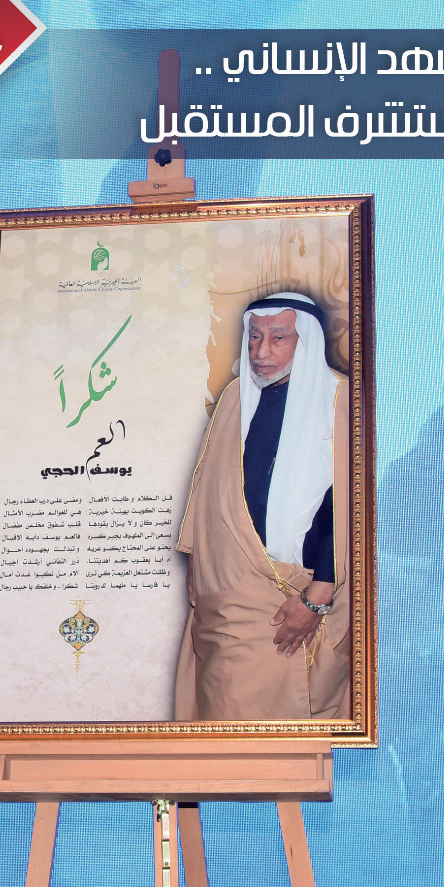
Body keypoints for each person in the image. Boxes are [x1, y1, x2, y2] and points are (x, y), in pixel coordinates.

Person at [175, 293, 351, 720]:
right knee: (224, 711)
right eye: (254, 337)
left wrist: (318, 595)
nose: (261, 351)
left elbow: (346, 505)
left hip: (302, 590)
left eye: (278, 338)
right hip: (228, 594)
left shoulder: (339, 400)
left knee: (286, 723)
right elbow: (208, 485)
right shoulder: (236, 398)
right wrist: (198, 565)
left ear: (305, 341)